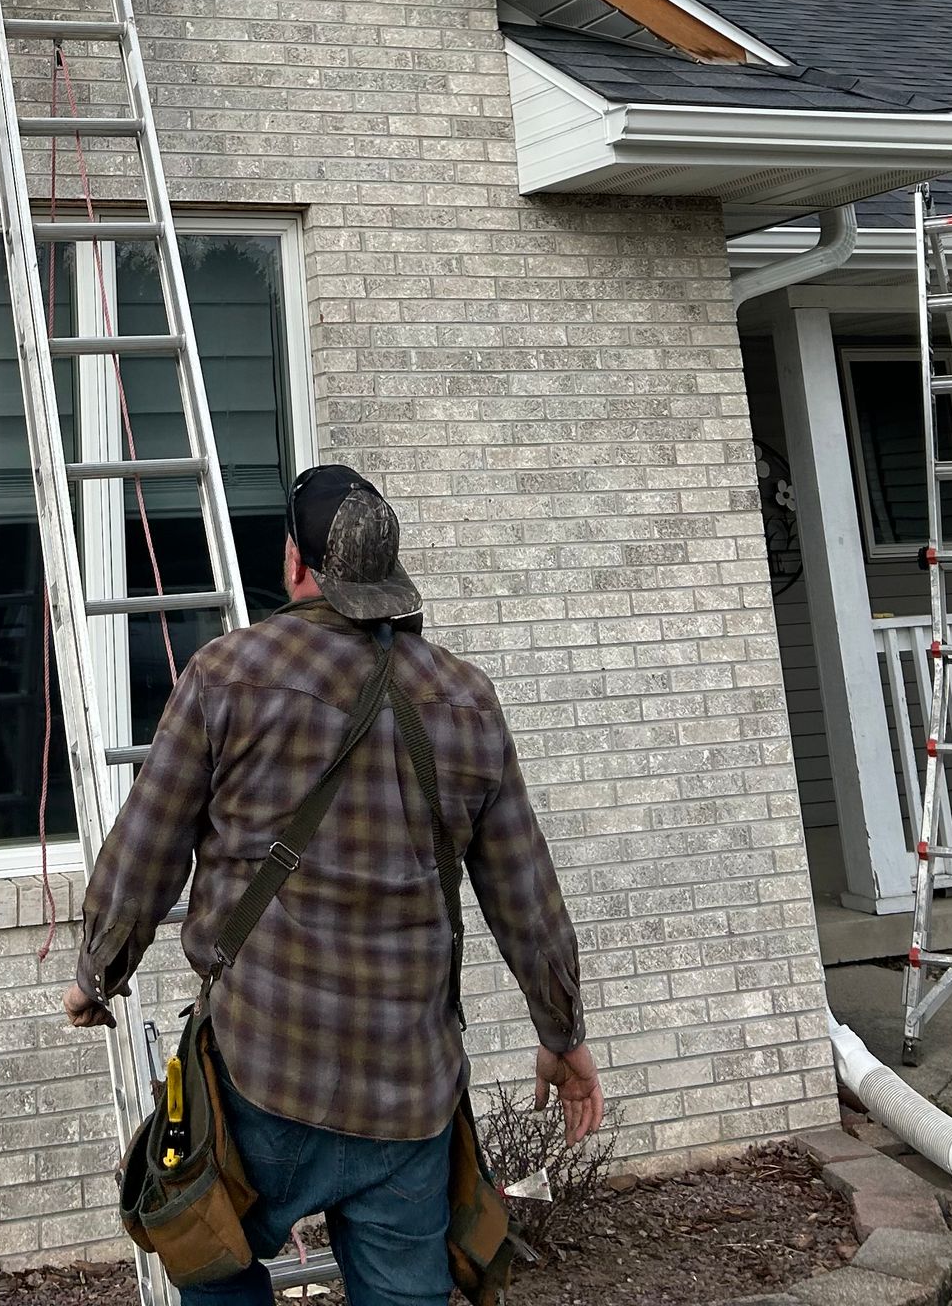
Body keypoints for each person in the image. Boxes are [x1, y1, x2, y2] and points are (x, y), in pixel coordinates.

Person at [64, 464, 604, 1306]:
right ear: (390, 576)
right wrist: (562, 1034)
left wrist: (100, 971)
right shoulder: (465, 700)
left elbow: (146, 847)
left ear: (294, 564)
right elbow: (527, 900)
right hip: (407, 1097)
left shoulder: (227, 675)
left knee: (209, 1258)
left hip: (261, 1071)